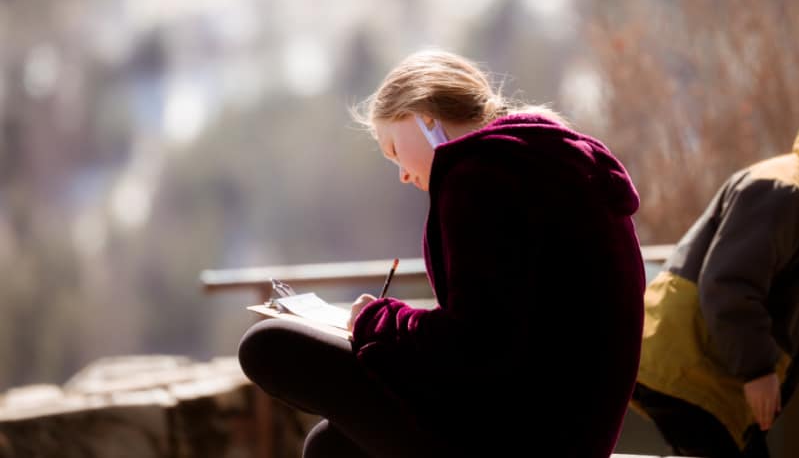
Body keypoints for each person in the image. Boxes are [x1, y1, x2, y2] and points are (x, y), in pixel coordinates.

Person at [238, 49, 646, 457]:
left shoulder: (480, 178)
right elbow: (507, 331)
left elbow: (473, 346)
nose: (401, 174)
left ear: (423, 116)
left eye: (395, 149)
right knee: (333, 446)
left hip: (521, 435)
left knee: (268, 345)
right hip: (568, 431)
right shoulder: (546, 160)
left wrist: (377, 320)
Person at [632, 129, 799, 458]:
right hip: (691, 368)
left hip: (705, 374)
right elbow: (728, 284)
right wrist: (758, 369)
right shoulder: (783, 189)